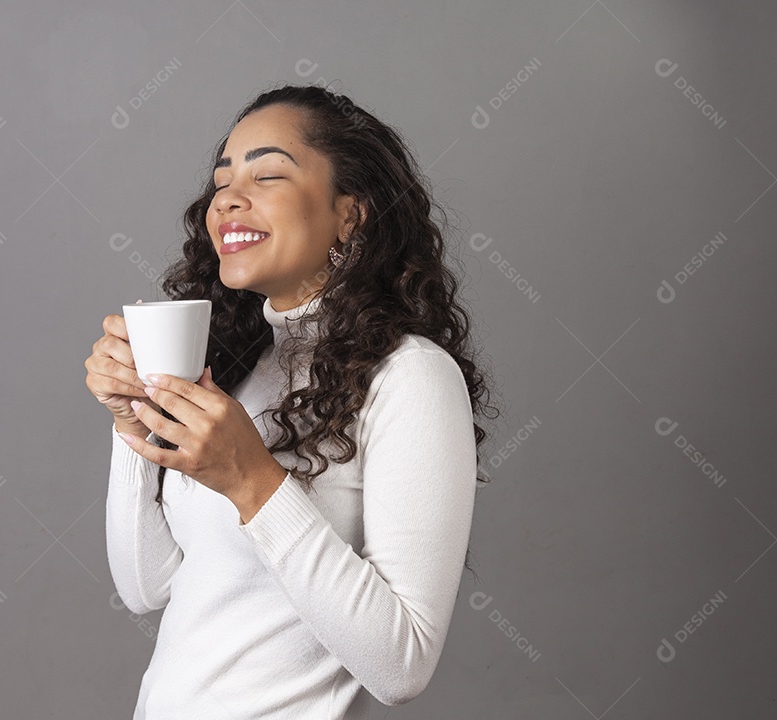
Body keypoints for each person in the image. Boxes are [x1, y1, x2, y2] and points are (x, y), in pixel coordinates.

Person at [85, 84, 498, 719]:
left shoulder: (410, 377)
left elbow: (403, 664)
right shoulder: (243, 363)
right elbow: (149, 587)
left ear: (350, 215)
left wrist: (252, 481)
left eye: (268, 173)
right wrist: (131, 424)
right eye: (223, 180)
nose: (228, 199)